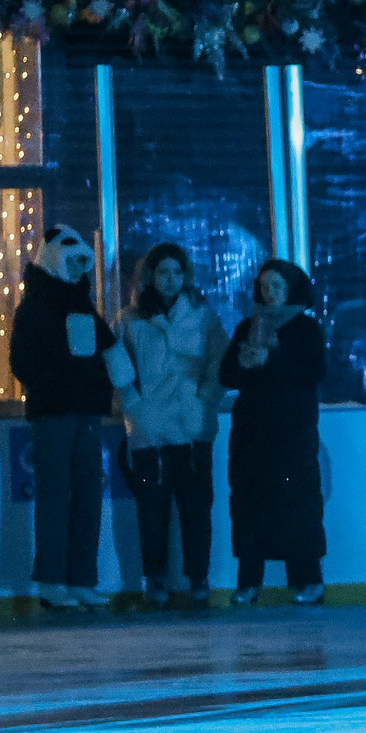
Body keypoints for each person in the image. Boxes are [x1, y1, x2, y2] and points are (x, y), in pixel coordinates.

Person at [8, 226, 129, 611]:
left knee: (87, 494)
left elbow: (109, 350)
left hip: (86, 413)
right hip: (55, 413)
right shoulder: (36, 306)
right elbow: (22, 362)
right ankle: (51, 580)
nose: (78, 269)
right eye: (72, 261)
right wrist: (61, 384)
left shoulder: (81, 306)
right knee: (57, 495)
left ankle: (80, 578)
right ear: (56, 259)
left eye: (83, 263)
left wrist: (108, 388)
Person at [117, 243, 228, 609]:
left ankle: (199, 580)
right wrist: (134, 405)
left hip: (193, 427)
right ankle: (156, 582)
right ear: (150, 276)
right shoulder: (129, 320)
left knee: (197, 510)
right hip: (150, 432)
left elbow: (220, 361)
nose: (170, 280)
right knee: (153, 512)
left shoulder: (202, 316)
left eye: (176, 273)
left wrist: (208, 396)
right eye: (163, 273)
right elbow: (117, 368)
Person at [220, 260, 327, 606]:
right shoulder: (248, 327)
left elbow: (313, 372)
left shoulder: (305, 328)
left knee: (297, 505)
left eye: (277, 285)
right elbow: (226, 374)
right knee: (249, 505)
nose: (270, 292)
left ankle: (307, 579)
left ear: (292, 288)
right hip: (251, 431)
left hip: (292, 432)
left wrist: (271, 361)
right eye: (265, 286)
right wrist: (244, 363)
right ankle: (249, 582)